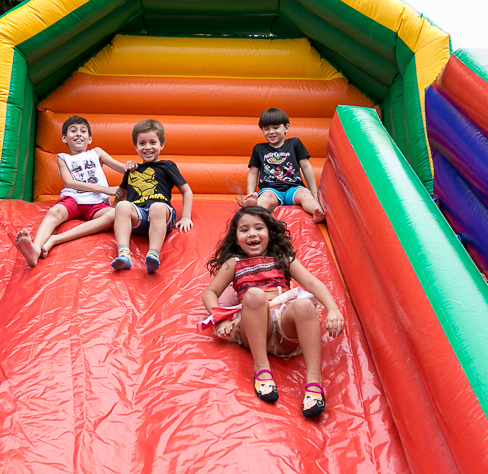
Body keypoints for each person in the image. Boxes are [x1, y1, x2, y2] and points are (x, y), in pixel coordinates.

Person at [200, 205, 344, 418]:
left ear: (269, 232)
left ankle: (314, 383)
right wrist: (219, 319)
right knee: (254, 295)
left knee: (304, 305)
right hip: (257, 330)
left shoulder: (283, 258)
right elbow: (210, 292)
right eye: (244, 230)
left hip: (286, 332)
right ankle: (262, 369)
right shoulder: (234, 263)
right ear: (236, 238)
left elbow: (313, 284)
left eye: (259, 228)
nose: (252, 234)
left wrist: (333, 310)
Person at [13, 115, 134, 267]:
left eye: (83, 131)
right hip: (73, 200)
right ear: (64, 138)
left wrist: (132, 167)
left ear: (89, 139)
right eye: (73, 130)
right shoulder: (63, 158)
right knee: (54, 212)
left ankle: (56, 239)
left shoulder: (96, 153)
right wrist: (106, 189)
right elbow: (69, 183)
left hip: (97, 204)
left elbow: (124, 169)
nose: (78, 134)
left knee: (115, 214)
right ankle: (35, 249)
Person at [110, 119, 193, 273]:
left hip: (161, 214)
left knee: (157, 207)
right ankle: (124, 254)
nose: (147, 147)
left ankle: (153, 255)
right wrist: (114, 210)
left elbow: (186, 191)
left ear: (161, 145)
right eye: (142, 143)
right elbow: (121, 195)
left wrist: (186, 217)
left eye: (152, 142)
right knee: (123, 205)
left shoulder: (167, 166)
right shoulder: (132, 170)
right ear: (136, 147)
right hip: (139, 217)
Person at [244, 107, 326, 223]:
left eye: (275, 128)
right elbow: (253, 173)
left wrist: (314, 192)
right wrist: (251, 194)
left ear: (286, 127)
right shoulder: (259, 149)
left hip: (294, 188)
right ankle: (254, 208)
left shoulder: (295, 143)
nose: (271, 132)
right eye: (266, 129)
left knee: (305, 195)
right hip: (271, 189)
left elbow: (306, 167)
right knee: (265, 198)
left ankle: (316, 211)